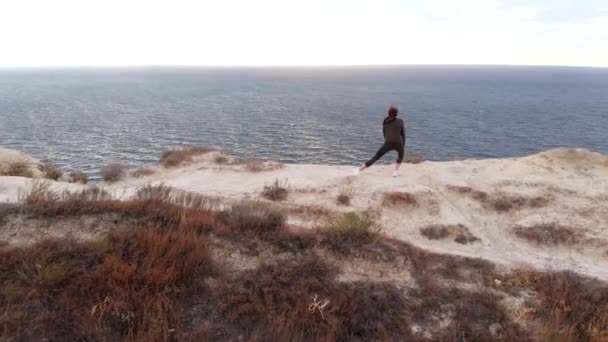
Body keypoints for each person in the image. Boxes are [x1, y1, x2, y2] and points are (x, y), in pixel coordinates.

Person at [356, 106, 405, 177]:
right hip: (398, 142)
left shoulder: (385, 122)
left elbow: (384, 133)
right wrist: (402, 145)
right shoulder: (400, 121)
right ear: (396, 114)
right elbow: (403, 134)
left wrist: (387, 141)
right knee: (400, 155)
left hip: (388, 142)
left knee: (376, 157)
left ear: (388, 113)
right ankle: (395, 172)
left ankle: (359, 170)